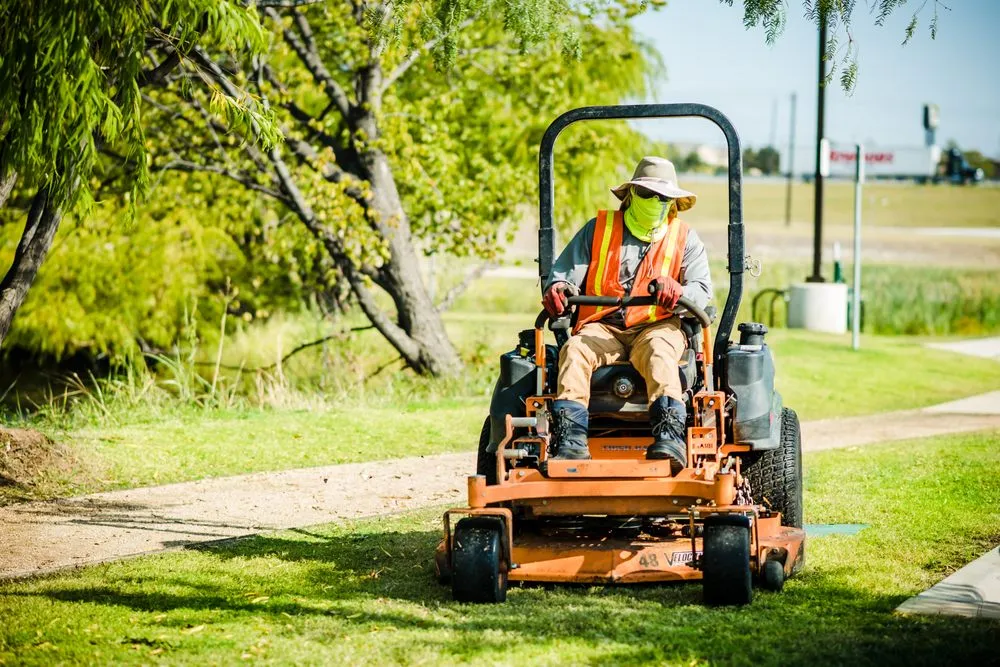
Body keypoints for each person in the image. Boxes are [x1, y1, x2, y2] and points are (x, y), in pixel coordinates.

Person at [542, 156, 713, 472]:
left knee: (661, 353)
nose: (655, 202)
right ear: (632, 194)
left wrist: (677, 290)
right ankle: (571, 444)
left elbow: (702, 294)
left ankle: (669, 439)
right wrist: (559, 288)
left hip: (658, 325)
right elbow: (564, 274)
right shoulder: (599, 230)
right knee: (575, 350)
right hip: (602, 326)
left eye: (663, 197)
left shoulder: (685, 239)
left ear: (673, 202)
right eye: (648, 194)